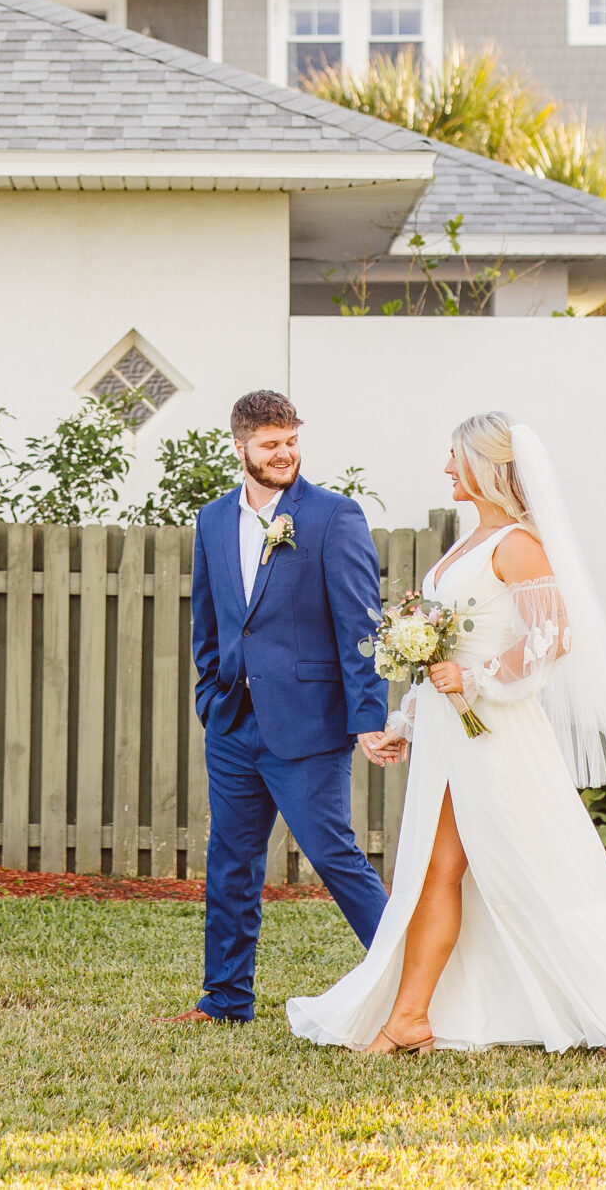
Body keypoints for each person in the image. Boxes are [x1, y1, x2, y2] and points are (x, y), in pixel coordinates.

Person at [286, 411, 606, 1057]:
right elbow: (449, 647)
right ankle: (410, 1014)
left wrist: (474, 680)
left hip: (496, 736)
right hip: (451, 733)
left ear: (484, 466)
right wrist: (406, 720)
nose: (445, 468)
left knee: (533, 874)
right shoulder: (470, 542)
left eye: (454, 457)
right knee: (435, 869)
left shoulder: (519, 544)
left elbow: (553, 638)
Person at [167, 389, 390, 1027]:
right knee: (231, 863)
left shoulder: (331, 516)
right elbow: (208, 622)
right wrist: (210, 696)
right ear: (240, 448)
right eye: (270, 445)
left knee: (332, 855)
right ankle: (226, 1000)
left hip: (310, 723)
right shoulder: (212, 520)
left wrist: (367, 717)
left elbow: (361, 624)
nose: (284, 453)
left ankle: (407, 988)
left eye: (291, 440)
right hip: (233, 723)